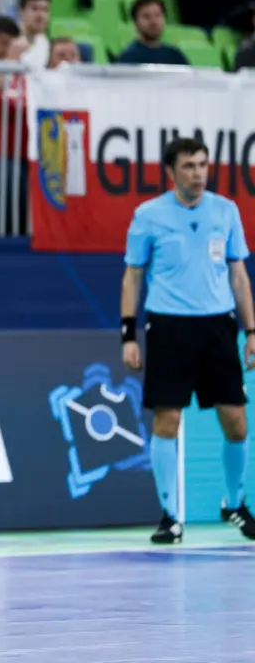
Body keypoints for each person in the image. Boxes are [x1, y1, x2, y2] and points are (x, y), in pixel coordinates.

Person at [121, 136, 255, 544]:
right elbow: (133, 276)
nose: (198, 174)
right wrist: (128, 332)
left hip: (217, 327)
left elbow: (237, 275)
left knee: (235, 422)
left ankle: (234, 504)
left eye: (202, 165)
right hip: (168, 326)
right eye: (189, 167)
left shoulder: (226, 211)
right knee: (168, 420)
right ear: (171, 172)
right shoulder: (147, 216)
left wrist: (251, 332)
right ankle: (171, 517)